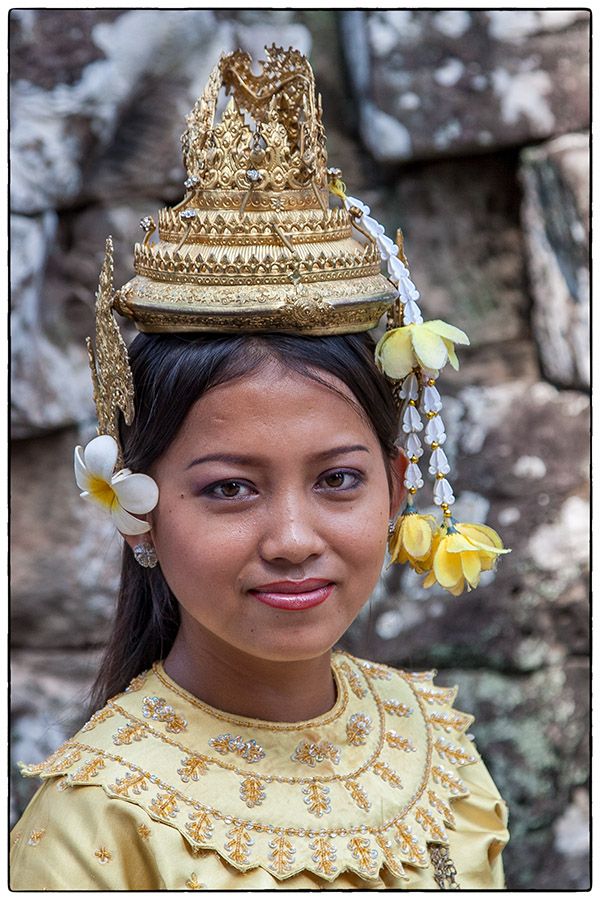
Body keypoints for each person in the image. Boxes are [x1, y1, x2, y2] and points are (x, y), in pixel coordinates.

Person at [10, 46, 509, 890]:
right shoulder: (95, 825)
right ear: (141, 508)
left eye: (338, 479)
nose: (291, 538)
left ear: (396, 485)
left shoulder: (437, 751)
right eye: (229, 489)